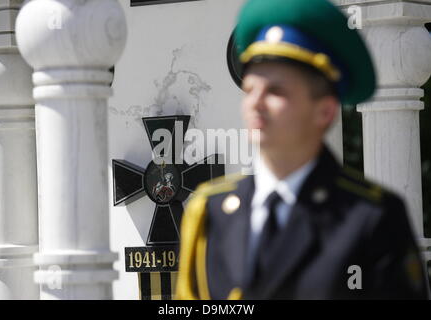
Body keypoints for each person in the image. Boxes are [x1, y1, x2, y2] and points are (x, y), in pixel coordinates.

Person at [175, 0, 429, 299]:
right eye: (250, 90)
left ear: (324, 111)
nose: (255, 104)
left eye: (275, 91)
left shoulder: (371, 216)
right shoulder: (209, 210)